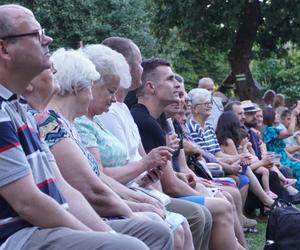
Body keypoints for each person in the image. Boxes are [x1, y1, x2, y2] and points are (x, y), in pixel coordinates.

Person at [0, 4, 152, 250]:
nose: (47, 39)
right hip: (19, 237)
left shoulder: (21, 110)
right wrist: (106, 235)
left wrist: (108, 234)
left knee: (145, 235)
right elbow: (27, 203)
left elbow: (64, 189)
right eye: (36, 34)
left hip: (44, 227)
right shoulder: (26, 117)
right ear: (4, 48)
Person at [101, 37, 213, 250]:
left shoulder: (124, 110)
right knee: (199, 214)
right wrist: (147, 172)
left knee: (202, 212)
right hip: (132, 194)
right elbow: (107, 173)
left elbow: (143, 162)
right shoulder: (114, 114)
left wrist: (150, 171)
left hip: (142, 189)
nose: (141, 70)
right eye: (138, 63)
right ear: (124, 67)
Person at [131, 58, 246, 250]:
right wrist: (203, 192)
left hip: (156, 193)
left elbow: (167, 172)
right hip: (153, 197)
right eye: (170, 79)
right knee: (218, 206)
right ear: (151, 87)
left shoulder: (157, 121)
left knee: (221, 199)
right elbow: (167, 185)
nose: (177, 85)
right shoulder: (146, 122)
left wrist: (183, 175)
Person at [263, 107, 300, 190]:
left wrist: (291, 157)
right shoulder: (269, 131)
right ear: (270, 117)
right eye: (275, 114)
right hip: (278, 160)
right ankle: (297, 193)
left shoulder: (274, 129)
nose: (278, 116)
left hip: (284, 158)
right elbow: (290, 132)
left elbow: (280, 147)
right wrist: (293, 116)